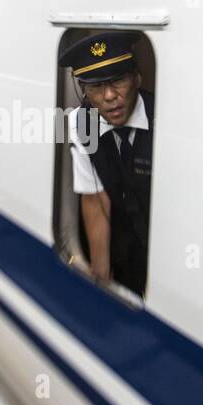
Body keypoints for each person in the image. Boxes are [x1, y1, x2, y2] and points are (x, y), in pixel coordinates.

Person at [61, 30, 155, 298]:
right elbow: (94, 197)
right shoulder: (82, 123)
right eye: (95, 87)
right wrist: (100, 270)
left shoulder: (165, 119)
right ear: (84, 92)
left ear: (137, 78)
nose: (109, 95)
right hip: (123, 248)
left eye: (118, 80)